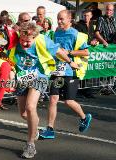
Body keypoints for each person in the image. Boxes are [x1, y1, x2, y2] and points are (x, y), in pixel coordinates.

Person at [8, 21, 78, 159]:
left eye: (28, 42)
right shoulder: (15, 40)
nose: (25, 44)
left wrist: (70, 62)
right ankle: (35, 128)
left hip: (39, 75)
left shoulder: (42, 40)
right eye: (22, 40)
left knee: (30, 107)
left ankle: (30, 145)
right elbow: (9, 61)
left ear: (34, 37)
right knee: (23, 114)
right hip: (22, 77)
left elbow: (58, 51)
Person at [39, 10, 92, 140]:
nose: (59, 21)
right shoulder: (56, 33)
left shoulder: (76, 34)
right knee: (53, 99)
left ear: (69, 19)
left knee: (68, 101)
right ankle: (50, 129)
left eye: (62, 19)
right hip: (57, 70)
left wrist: (69, 52)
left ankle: (85, 117)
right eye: (58, 19)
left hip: (70, 71)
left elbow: (86, 52)